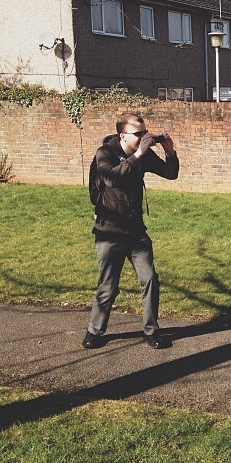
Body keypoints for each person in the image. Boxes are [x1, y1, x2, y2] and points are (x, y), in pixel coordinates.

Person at [82, 112, 179, 349]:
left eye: (146, 133)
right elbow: (112, 179)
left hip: (136, 232)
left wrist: (170, 151)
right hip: (109, 231)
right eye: (139, 134)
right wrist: (138, 154)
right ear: (123, 135)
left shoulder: (142, 155)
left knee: (150, 280)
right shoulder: (104, 153)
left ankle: (151, 330)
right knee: (108, 286)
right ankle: (95, 331)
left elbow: (170, 173)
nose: (144, 137)